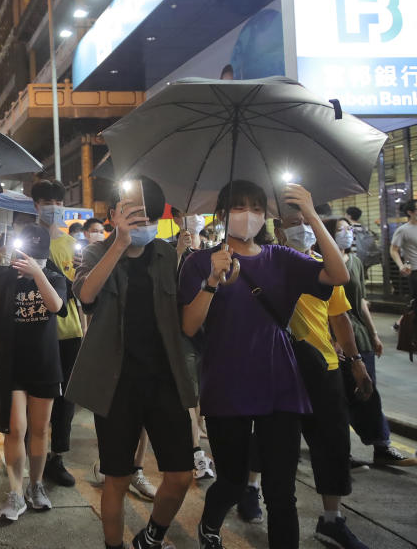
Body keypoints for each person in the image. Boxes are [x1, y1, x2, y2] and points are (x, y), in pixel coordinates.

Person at [179, 180, 349, 549]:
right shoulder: (199, 262)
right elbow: (190, 325)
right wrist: (212, 280)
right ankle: (210, 524)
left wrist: (311, 214)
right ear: (222, 216)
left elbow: (338, 276)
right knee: (233, 480)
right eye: (239, 208)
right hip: (226, 385)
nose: (249, 216)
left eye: (256, 208)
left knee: (281, 492)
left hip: (280, 383)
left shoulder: (281, 258)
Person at [69, 176, 196, 549]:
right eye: (132, 214)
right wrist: (119, 243)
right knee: (117, 478)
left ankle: (153, 534)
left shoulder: (168, 255)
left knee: (180, 475)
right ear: (113, 215)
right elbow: (87, 296)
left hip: (164, 380)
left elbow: (187, 317)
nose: (142, 222)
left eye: (148, 216)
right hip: (116, 384)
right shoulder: (94, 253)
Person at [274, 214, 375, 548]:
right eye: (293, 222)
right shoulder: (267, 265)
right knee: (275, 447)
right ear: (278, 230)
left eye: (306, 220)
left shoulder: (325, 268)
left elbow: (340, 317)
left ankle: (332, 521)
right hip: (280, 370)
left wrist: (356, 361)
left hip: (326, 368)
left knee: (332, 445)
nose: (301, 228)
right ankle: (250, 488)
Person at [331, 218, 417, 467]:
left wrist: (374, 334)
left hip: (359, 338)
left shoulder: (355, 262)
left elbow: (361, 302)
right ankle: (340, 452)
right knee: (340, 397)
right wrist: (332, 338)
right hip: (334, 339)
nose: (347, 233)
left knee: (368, 391)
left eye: (349, 229)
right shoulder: (319, 264)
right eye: (340, 229)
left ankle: (381, 446)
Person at [0, 224, 67, 521]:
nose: (30, 260)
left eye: (36, 256)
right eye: (25, 255)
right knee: (16, 428)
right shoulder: (6, 279)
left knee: (40, 430)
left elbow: (55, 305)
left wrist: (39, 273)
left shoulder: (54, 278)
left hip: (45, 364)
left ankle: (36, 486)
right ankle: (15, 491)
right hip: (12, 365)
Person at [29, 180, 84, 488]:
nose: (55, 208)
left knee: (67, 401)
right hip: (36, 331)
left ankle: (57, 456)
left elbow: (80, 293)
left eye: (59, 203)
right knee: (36, 398)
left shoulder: (71, 245)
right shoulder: (25, 240)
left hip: (69, 333)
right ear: (35, 205)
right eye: (48, 202)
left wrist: (81, 270)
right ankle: (32, 453)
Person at [169, 208, 215, 481]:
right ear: (177, 219)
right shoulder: (167, 249)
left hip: (212, 331)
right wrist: (177, 252)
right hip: (182, 332)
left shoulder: (215, 249)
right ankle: (196, 454)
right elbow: (166, 286)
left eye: (199, 212)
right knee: (189, 393)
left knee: (205, 392)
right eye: (188, 213)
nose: (195, 217)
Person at [390, 200, 417, 309]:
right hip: (415, 270)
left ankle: (399, 324)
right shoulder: (403, 230)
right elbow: (393, 250)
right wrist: (401, 265)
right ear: (410, 212)